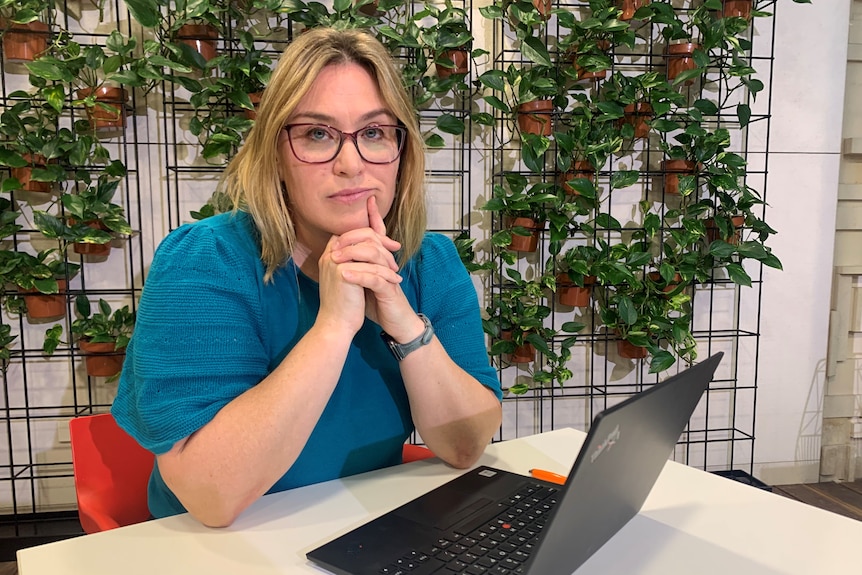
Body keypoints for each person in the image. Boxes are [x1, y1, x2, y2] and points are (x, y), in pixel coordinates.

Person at [111, 27, 503, 528]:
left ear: (401, 152)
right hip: (222, 546)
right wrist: (334, 327)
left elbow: (466, 447)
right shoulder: (204, 262)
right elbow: (213, 498)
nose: (351, 164)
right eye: (317, 134)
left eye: (374, 133)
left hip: (363, 526)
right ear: (276, 153)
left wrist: (405, 325)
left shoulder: (431, 261)